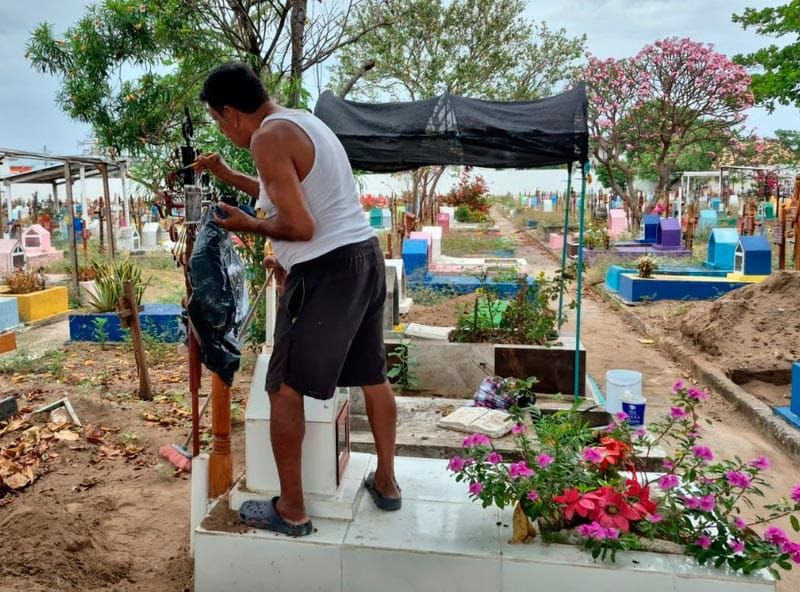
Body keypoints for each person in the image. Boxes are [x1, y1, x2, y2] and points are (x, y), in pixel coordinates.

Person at [195, 62, 400, 537]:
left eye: (218, 122)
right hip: (363, 259)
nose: (223, 133)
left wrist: (249, 225)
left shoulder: (267, 138)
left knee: (283, 384)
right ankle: (386, 482)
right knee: (372, 373)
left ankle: (291, 509)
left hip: (326, 270)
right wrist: (228, 175)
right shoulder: (304, 121)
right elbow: (283, 193)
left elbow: (299, 226)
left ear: (230, 113)